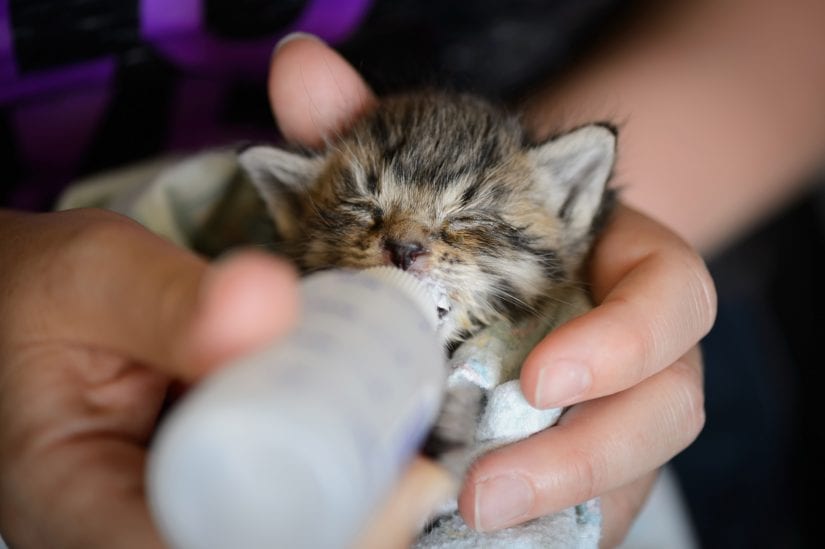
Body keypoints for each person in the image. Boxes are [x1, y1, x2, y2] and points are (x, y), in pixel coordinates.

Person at [2, 0, 822, 546]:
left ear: (570, 202)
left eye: (463, 221)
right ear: (293, 217)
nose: (402, 243)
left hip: (700, 256)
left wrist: (623, 265)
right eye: (363, 216)